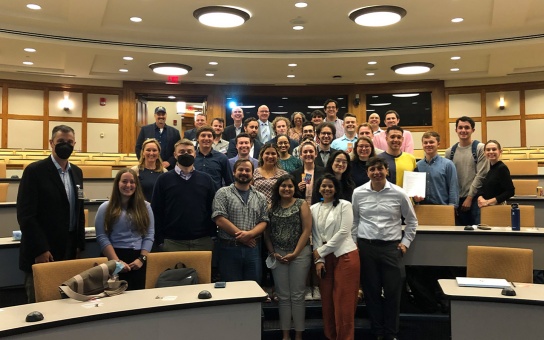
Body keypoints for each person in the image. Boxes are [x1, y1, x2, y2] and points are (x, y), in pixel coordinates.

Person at [17, 125, 85, 303]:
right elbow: (26, 215)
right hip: (42, 250)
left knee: (66, 301)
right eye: (61, 141)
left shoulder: (77, 172)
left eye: (69, 142)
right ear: (51, 143)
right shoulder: (34, 171)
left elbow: (79, 210)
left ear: (75, 144)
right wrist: (40, 248)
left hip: (69, 248)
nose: (65, 145)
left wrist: (79, 244)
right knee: (41, 301)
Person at [353, 157, 418, 340]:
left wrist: (405, 243)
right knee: (372, 293)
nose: (376, 172)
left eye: (380, 168)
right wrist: (354, 243)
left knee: (392, 293)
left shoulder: (399, 193)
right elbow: (355, 221)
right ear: (367, 172)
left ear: (387, 171)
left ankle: (391, 333)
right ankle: (377, 332)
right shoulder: (358, 193)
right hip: (367, 247)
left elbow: (412, 222)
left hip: (391, 249)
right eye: (372, 169)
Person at [311, 174, 360, 340]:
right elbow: (316, 235)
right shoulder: (313, 208)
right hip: (325, 259)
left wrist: (321, 252)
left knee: (344, 303)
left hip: (345, 255)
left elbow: (344, 232)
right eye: (323, 186)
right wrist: (319, 260)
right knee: (327, 302)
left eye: (330, 186)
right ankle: (331, 336)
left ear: (336, 189)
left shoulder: (345, 205)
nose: (327, 189)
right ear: (318, 188)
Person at [264, 174, 312, 340]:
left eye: (290, 186)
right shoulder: (271, 207)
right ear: (278, 188)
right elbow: (267, 233)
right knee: (283, 296)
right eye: (283, 186)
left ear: (295, 188)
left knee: (297, 296)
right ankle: (285, 335)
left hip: (300, 254)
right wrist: (272, 252)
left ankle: (298, 335)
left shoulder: (301, 204)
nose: (287, 189)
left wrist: (295, 253)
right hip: (278, 255)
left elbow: (307, 230)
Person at [151, 139, 217, 251]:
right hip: (172, 242)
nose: (186, 154)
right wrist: (160, 240)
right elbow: (156, 210)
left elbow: (213, 209)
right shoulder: (163, 179)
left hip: (202, 241)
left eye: (189, 151)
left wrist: (213, 236)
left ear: (195, 154)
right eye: (181, 152)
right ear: (175, 155)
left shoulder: (206, 179)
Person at [95, 168, 154, 290]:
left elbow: (149, 234)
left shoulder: (146, 206)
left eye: (132, 182)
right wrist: (117, 262)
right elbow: (102, 237)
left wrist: (142, 259)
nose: (128, 185)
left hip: (138, 260)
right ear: (117, 184)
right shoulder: (105, 207)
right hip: (114, 257)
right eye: (124, 181)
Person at [212, 159, 269, 283]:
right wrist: (243, 237)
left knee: (253, 288)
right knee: (231, 290)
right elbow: (219, 219)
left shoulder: (260, 197)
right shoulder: (223, 193)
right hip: (229, 249)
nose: (244, 172)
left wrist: (250, 235)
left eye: (247, 170)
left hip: (253, 250)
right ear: (234, 172)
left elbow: (264, 221)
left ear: (252, 174)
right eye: (240, 170)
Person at [445, 116, 488, 226]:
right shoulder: (450, 152)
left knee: (476, 233)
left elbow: (481, 175)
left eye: (467, 128)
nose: (463, 130)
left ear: (473, 130)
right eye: (460, 127)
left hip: (474, 199)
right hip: (456, 200)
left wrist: (469, 198)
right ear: (456, 130)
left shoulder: (480, 148)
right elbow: (448, 179)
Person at [413, 131, 459, 207]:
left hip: (443, 208)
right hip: (422, 208)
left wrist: (452, 207)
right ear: (422, 145)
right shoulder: (418, 165)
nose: (428, 145)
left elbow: (453, 187)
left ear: (438, 144)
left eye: (431, 142)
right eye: (425, 143)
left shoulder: (448, 164)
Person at [135, 106, 181, 171]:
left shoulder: (175, 132)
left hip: (169, 168)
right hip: (148, 167)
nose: (161, 116)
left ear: (166, 116)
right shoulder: (145, 130)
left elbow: (178, 150)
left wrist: (169, 162)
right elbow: (138, 148)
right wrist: (144, 162)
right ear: (155, 116)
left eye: (163, 114)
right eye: (158, 114)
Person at [477, 140, 515, 208]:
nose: (491, 152)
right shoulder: (489, 168)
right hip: (488, 207)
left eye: (494, 149)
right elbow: (484, 187)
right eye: (488, 150)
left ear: (500, 152)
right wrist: (480, 197)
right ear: (484, 153)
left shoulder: (502, 168)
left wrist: (488, 202)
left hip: (498, 207)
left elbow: (510, 191)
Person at [292, 140, 326, 205]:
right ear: (301, 155)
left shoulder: (324, 172)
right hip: (300, 208)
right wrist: (297, 189)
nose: (308, 154)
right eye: (305, 152)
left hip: (319, 206)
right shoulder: (294, 174)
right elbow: (292, 195)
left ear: (316, 154)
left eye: (311, 151)